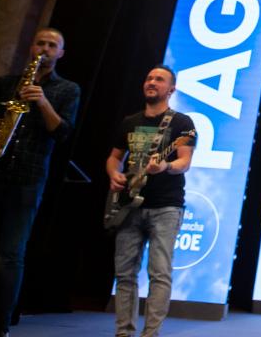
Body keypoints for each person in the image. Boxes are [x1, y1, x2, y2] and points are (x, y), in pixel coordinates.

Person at [0, 27, 80, 335]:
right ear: (31, 47)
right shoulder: (5, 84)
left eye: (52, 44)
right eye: (40, 42)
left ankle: (0, 324)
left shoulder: (67, 90)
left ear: (60, 53)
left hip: (27, 179)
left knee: (12, 254)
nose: (45, 48)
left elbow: (63, 133)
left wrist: (42, 102)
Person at [106, 65, 196, 337]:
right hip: (129, 205)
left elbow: (184, 161)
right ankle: (123, 332)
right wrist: (113, 174)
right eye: (149, 78)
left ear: (171, 89)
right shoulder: (130, 122)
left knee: (159, 273)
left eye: (159, 79)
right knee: (124, 274)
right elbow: (113, 157)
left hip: (166, 205)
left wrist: (165, 167)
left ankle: (151, 333)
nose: (152, 82)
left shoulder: (182, 123)